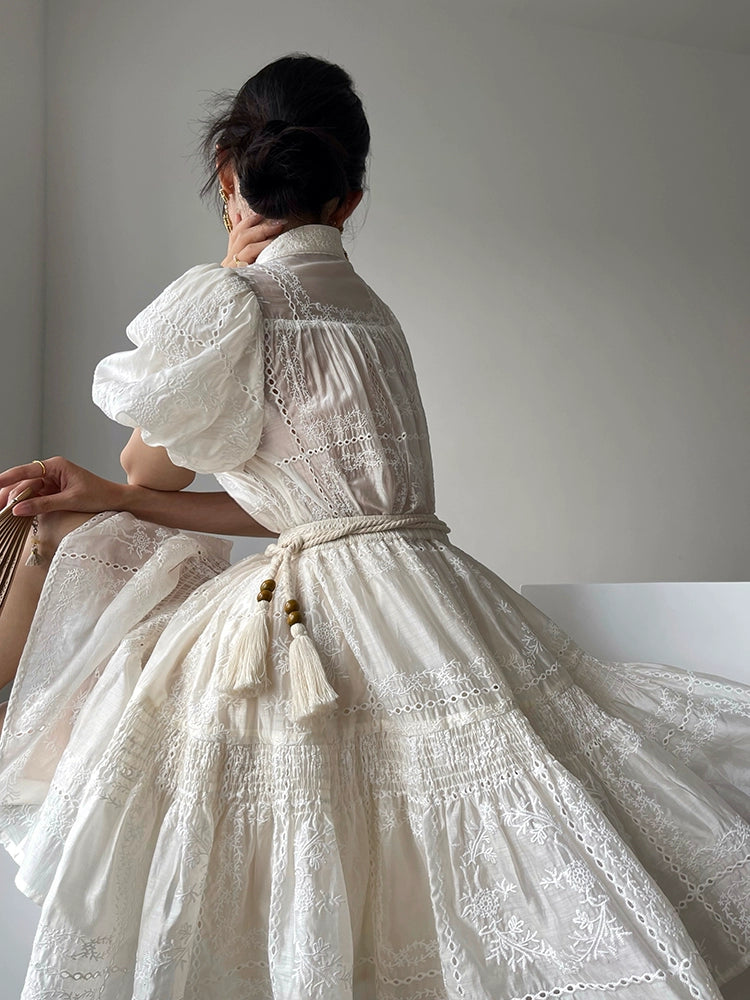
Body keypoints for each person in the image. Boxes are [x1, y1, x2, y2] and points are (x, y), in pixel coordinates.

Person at [0, 52, 748, 1000]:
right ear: (351, 199)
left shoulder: (234, 299)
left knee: (116, 601)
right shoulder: (369, 310)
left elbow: (154, 465)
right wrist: (119, 497)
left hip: (319, 607)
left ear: (228, 177)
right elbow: (308, 513)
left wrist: (218, 289)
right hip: (427, 588)